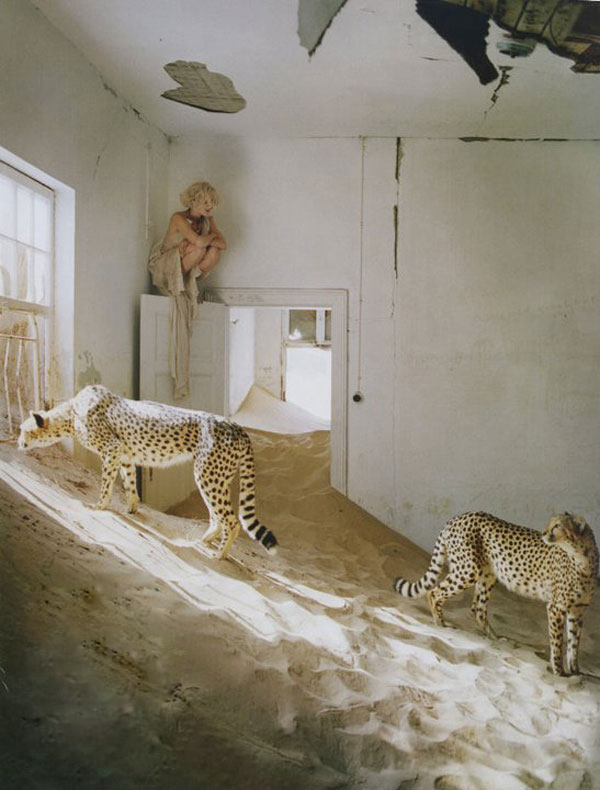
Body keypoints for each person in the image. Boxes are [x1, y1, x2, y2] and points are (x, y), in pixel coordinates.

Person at [147, 181, 227, 400]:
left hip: (185, 263)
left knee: (213, 252)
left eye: (212, 203)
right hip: (164, 265)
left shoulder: (207, 220)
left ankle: (190, 283)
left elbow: (223, 244)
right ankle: (186, 285)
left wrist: (206, 241)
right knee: (200, 248)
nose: (210, 207)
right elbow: (201, 242)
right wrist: (205, 241)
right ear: (193, 201)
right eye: (206, 202)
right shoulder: (178, 218)